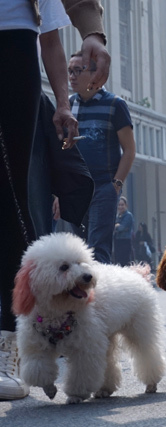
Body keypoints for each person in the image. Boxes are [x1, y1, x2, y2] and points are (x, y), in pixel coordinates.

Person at [0, 0, 109, 402]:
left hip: (13, 44)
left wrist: (63, 103)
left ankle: (6, 345)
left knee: (8, 200)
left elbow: (51, 39)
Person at [65, 50, 135, 264]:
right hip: (75, 188)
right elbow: (62, 150)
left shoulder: (115, 105)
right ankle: (80, 297)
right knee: (77, 250)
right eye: (70, 71)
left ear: (97, 74)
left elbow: (129, 150)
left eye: (78, 70)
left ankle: (101, 295)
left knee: (97, 248)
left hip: (103, 187)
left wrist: (115, 185)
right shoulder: (67, 106)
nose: (72, 76)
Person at [113, 196, 134, 266]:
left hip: (125, 241)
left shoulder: (128, 216)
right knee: (117, 261)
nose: (120, 207)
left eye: (122, 205)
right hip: (117, 241)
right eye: (119, 205)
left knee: (125, 262)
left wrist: (117, 226)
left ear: (126, 205)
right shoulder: (117, 216)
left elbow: (122, 228)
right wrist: (117, 226)